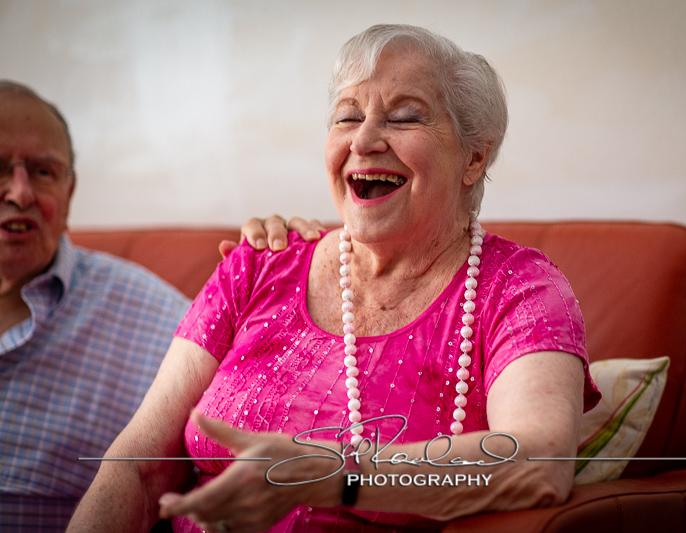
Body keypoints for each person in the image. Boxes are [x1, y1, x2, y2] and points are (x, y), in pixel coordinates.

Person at [69, 24, 601, 533]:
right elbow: (135, 468)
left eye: (405, 117)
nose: (365, 139)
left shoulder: (519, 289)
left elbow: (538, 461)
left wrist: (332, 476)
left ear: (474, 155)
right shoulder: (259, 263)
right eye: (347, 118)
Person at [0, 80, 318, 531]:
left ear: (70, 194)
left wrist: (288, 269)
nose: (20, 193)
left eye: (43, 172)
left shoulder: (150, 311)